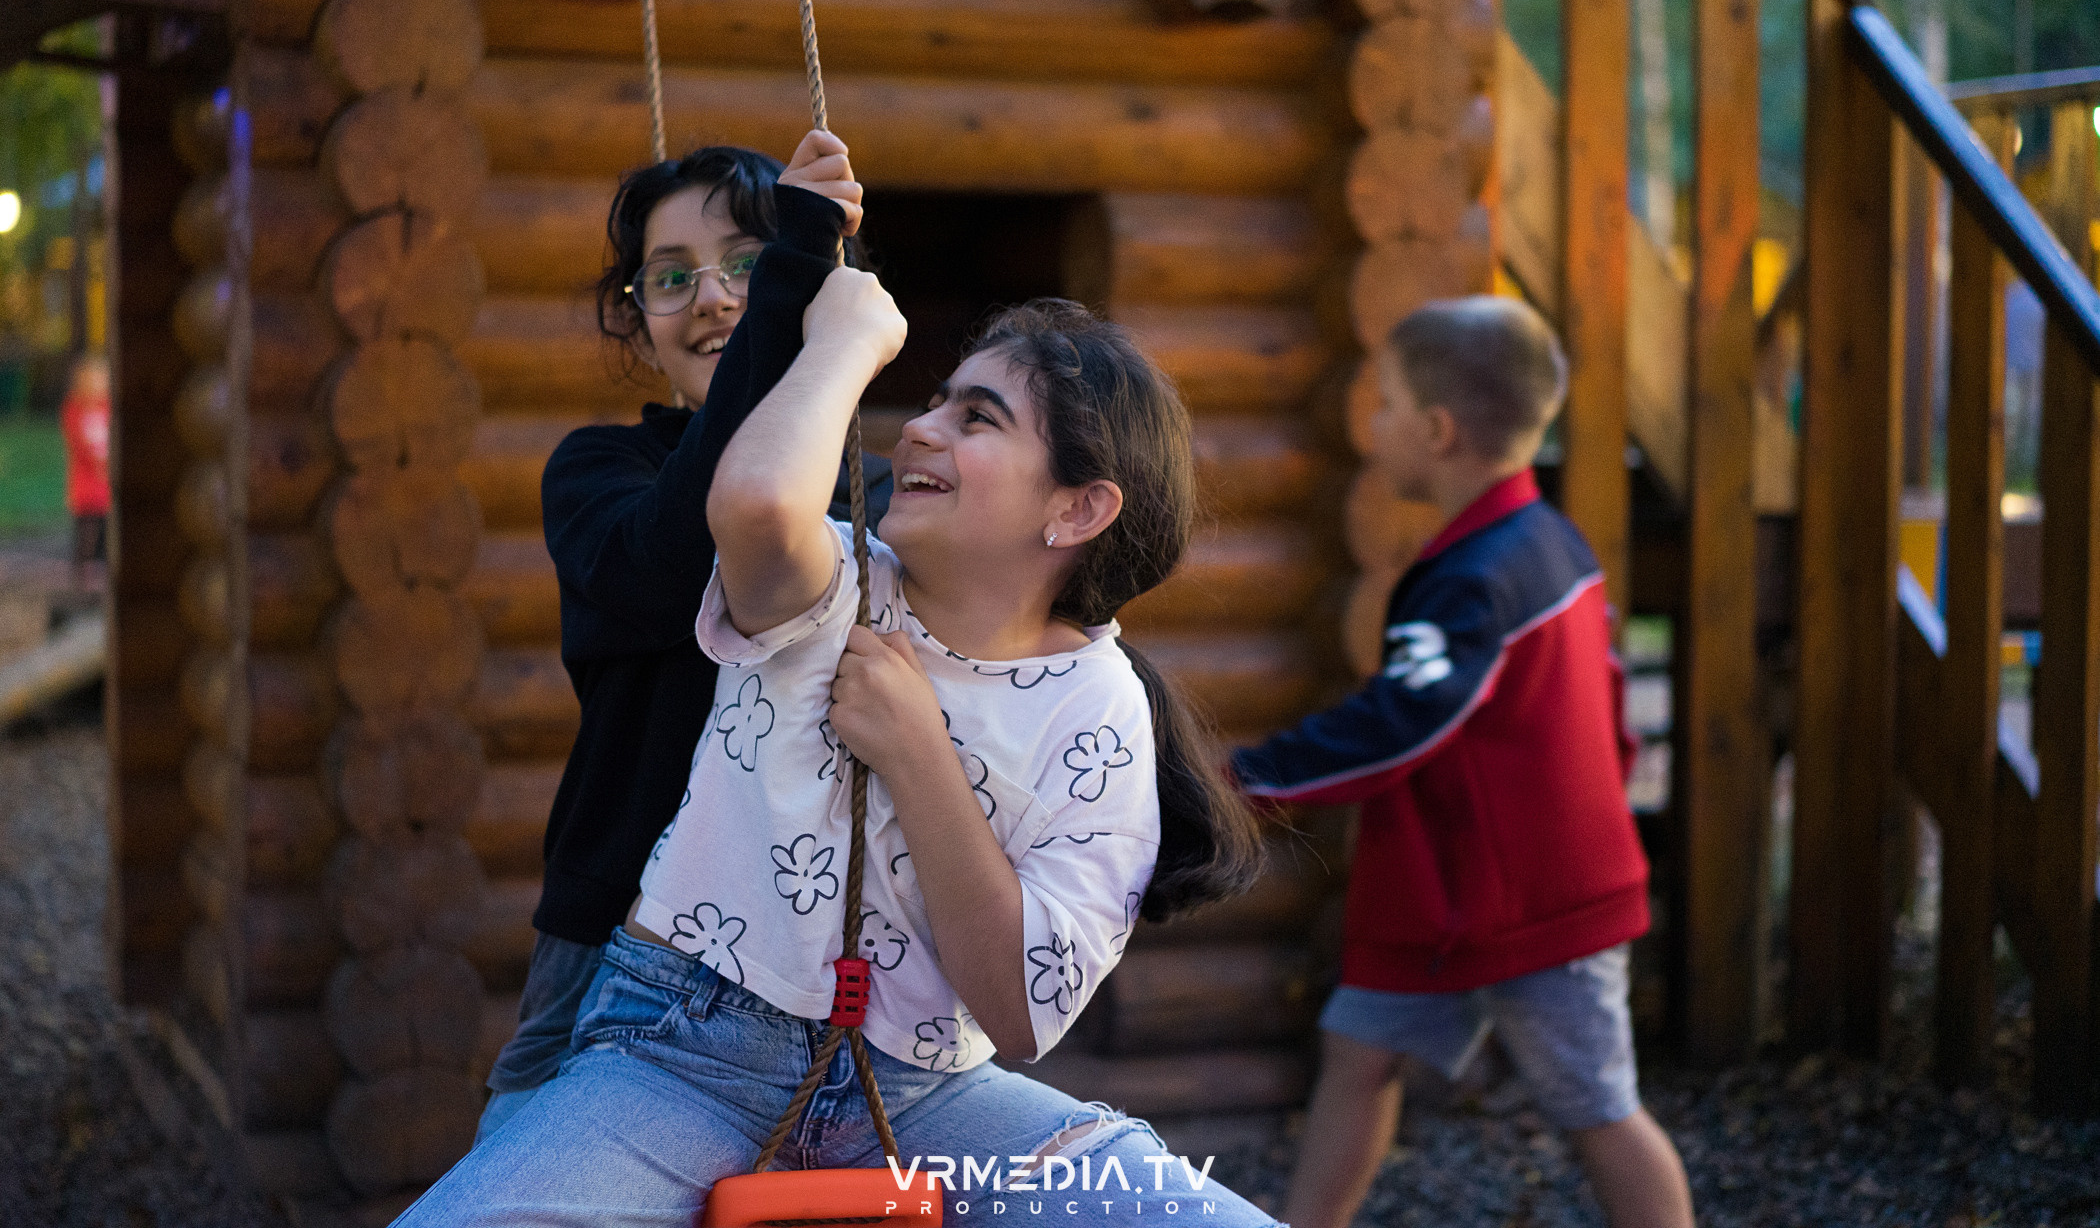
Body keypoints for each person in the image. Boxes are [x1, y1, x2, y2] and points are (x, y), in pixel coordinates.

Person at [398, 145, 1272, 1226]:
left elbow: (1026, 1003)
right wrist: (840, 337)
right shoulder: (796, 548)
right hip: (672, 1019)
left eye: (974, 416)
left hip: (917, 1079)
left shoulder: (1075, 683)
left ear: (1078, 507)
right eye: (669, 275)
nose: (921, 425)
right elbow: (743, 513)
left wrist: (915, 745)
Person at [1234, 297, 1694, 1228]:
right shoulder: (1550, 542)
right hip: (1442, 894)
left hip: (1538, 906)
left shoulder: (1473, 581)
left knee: (1598, 1108)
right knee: (1359, 1058)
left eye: (1389, 402)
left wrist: (1248, 779)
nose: (1376, 422)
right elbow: (1610, 708)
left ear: (1438, 432)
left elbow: (1401, 724)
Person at [478, 135, 891, 1141]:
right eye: (672, 277)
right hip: (612, 925)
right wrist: (792, 272)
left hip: (814, 942)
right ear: (634, 314)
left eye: (747, 264)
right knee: (519, 1179)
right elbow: (684, 546)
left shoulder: (871, 497)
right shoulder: (596, 471)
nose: (712, 297)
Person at [59, 352, 110, 593]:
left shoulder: (108, 408)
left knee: (107, 536)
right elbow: (78, 443)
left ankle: (103, 584)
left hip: (107, 490)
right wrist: (99, 462)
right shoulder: (75, 409)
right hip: (87, 487)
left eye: (102, 379)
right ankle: (82, 584)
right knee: (86, 537)